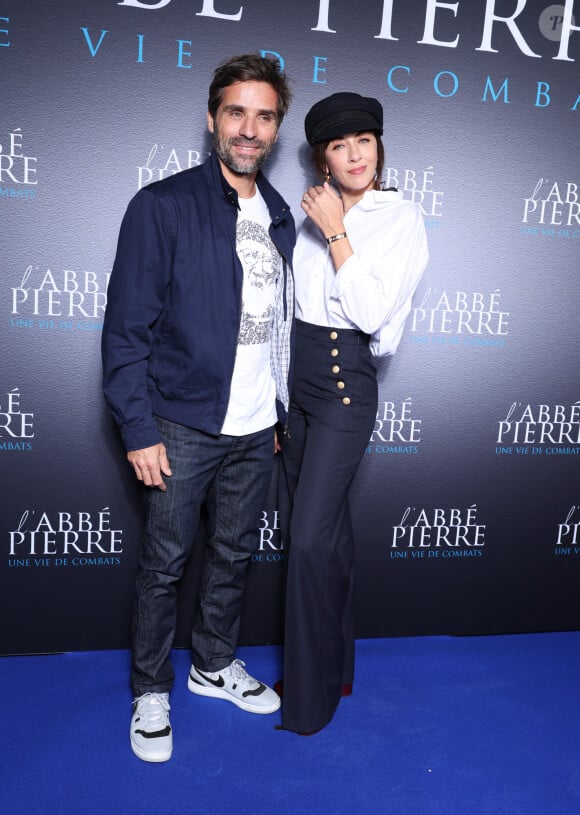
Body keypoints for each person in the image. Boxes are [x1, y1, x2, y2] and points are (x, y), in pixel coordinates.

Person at [101, 54, 295, 762]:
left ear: (276, 128)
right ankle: (151, 688)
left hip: (253, 428)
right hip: (180, 423)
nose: (248, 128)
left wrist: (273, 412)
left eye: (264, 116)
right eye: (236, 112)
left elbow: (274, 326)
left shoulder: (277, 215)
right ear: (213, 117)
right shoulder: (163, 205)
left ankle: (213, 664)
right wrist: (138, 427)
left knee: (234, 554)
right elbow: (127, 330)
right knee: (165, 563)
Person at [278, 92, 428, 734]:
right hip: (298, 384)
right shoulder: (302, 213)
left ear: (378, 145)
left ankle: (309, 701)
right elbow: (288, 311)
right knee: (328, 536)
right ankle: (331, 668)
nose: (354, 154)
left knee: (309, 541)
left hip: (345, 385)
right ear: (322, 159)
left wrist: (337, 230)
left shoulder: (401, 218)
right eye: (339, 146)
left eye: (363, 140)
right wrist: (279, 405)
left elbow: (369, 316)